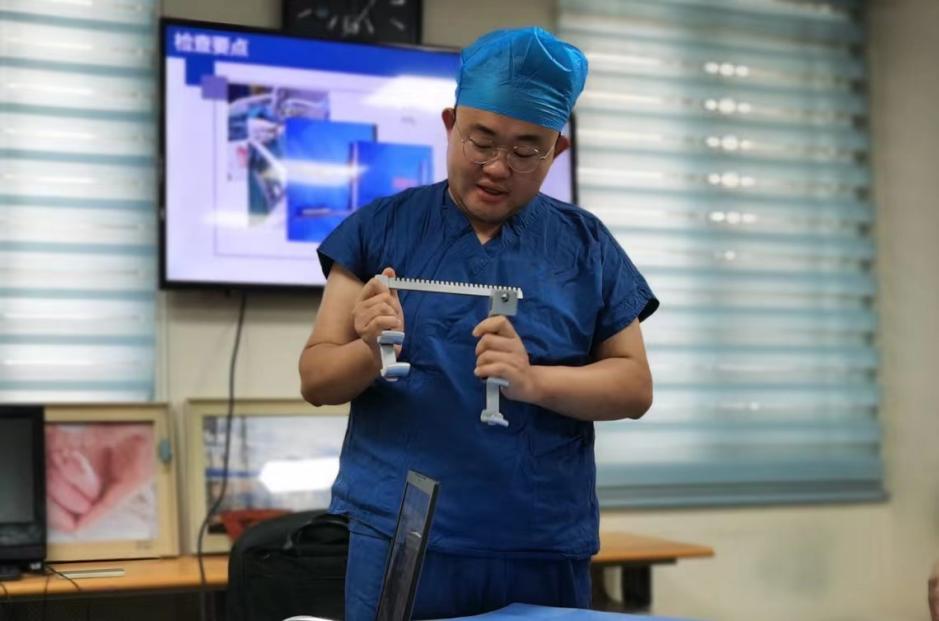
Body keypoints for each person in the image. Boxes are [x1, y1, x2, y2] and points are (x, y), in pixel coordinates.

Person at [299, 26, 658, 619]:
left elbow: (634, 386)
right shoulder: (380, 228)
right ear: (450, 124)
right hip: (401, 538)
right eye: (481, 141)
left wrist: (533, 381)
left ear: (557, 151)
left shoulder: (586, 245)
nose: (497, 167)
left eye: (525, 151)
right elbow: (316, 379)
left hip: (540, 541)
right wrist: (368, 349)